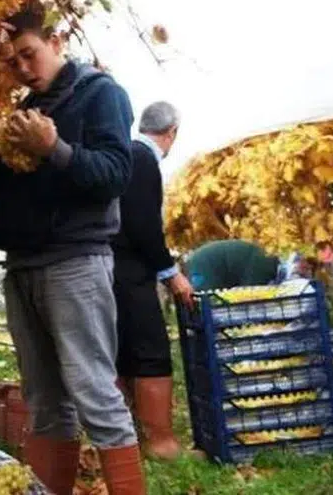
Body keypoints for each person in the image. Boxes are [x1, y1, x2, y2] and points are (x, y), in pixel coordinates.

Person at [0, 1, 145, 495]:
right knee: (45, 401)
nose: (24, 69)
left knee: (95, 393)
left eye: (29, 54)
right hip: (23, 266)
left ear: (56, 42)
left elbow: (116, 175)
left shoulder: (100, 96)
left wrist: (56, 150)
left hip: (75, 263)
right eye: (14, 63)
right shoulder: (27, 110)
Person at [112, 101, 194, 460]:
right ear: (172, 132)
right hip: (130, 272)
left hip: (109, 271)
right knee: (150, 352)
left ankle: (131, 442)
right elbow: (144, 225)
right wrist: (171, 273)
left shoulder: (125, 154)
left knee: (123, 354)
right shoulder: (143, 159)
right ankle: (162, 444)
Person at [185, 239, 333, 291]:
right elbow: (250, 295)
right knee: (207, 305)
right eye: (306, 268)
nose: (304, 273)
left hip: (208, 261)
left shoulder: (268, 260)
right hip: (207, 264)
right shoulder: (264, 267)